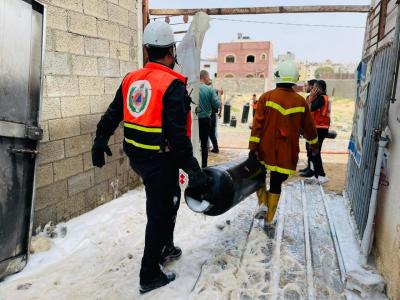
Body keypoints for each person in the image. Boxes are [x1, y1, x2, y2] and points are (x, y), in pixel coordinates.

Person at [91, 21, 209, 294]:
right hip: (161, 161)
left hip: (138, 157)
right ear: (171, 51)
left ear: (146, 50)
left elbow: (112, 114)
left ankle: (165, 246)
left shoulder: (131, 79)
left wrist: (99, 140)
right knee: (160, 211)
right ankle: (149, 274)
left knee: (169, 202)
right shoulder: (172, 85)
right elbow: (178, 139)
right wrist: (195, 171)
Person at [249, 60, 319, 230]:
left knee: (258, 174)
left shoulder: (266, 97)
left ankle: (263, 203)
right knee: (277, 181)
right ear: (295, 79)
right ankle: (269, 218)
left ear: (277, 76)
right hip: (287, 150)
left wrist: (253, 148)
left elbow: (257, 125)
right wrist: (314, 144)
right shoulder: (301, 102)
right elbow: (309, 128)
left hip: (266, 147)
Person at [300, 80, 330, 184]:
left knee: (315, 153)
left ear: (318, 88)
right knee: (312, 152)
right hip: (316, 128)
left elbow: (309, 109)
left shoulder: (322, 98)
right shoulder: (320, 98)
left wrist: (311, 98)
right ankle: (315, 174)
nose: (312, 89)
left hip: (320, 128)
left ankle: (321, 175)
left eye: (314, 88)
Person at [198, 70, 220, 167]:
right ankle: (204, 166)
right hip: (204, 120)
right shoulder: (209, 89)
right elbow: (217, 104)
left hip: (191, 121)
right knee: (204, 144)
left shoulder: (190, 87)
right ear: (205, 77)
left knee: (191, 143)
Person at [299, 79, 317, 174]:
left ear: (312, 87)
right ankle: (309, 167)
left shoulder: (317, 98)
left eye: (307, 86)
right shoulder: (308, 97)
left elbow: (309, 110)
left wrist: (311, 99)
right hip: (307, 127)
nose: (305, 88)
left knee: (312, 149)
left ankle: (312, 170)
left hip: (314, 127)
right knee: (308, 149)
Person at [208, 88, 223, 154]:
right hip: (213, 115)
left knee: (209, 133)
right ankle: (215, 148)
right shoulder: (216, 98)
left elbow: (220, 104)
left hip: (210, 115)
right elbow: (220, 104)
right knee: (212, 133)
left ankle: (213, 148)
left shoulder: (211, 97)